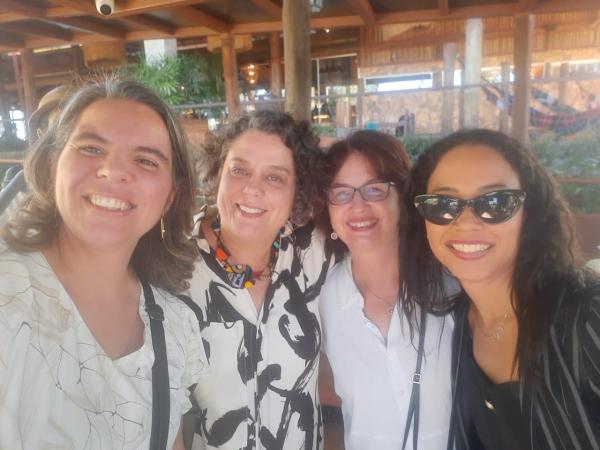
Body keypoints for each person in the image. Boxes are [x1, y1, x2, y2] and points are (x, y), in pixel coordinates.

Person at [0, 77, 207, 449]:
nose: (113, 170)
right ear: (52, 164)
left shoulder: (175, 326)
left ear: (170, 197)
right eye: (92, 149)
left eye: (145, 160)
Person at [404, 128, 600, 449]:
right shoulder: (460, 326)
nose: (465, 222)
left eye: (495, 203)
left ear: (530, 214)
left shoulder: (588, 317)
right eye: (443, 204)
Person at [186, 111, 331, 450]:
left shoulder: (315, 254)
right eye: (239, 170)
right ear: (217, 173)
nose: (252, 189)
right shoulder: (171, 264)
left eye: (276, 178)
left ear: (297, 191)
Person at [318, 130, 453, 450]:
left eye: (375, 189)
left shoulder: (452, 281)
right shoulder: (322, 296)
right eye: (341, 193)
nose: (358, 206)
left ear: (402, 198)